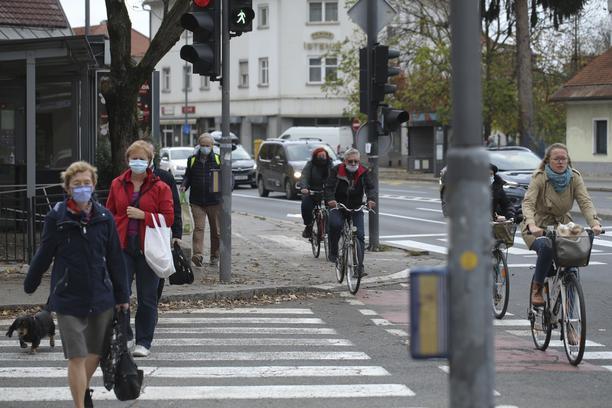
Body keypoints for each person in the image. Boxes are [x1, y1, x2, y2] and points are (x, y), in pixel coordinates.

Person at [24, 161, 129, 408]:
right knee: (76, 355)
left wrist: (122, 295)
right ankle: (79, 405)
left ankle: (82, 389)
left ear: (93, 185)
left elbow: (115, 258)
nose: (82, 188)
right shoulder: (56, 217)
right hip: (68, 297)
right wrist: (31, 281)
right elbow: (45, 252)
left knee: (95, 353)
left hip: (101, 297)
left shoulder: (104, 218)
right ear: (68, 188)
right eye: (76, 184)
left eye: (86, 183)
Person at [106, 140, 174, 358]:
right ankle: (125, 335)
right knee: (120, 295)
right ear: (127, 160)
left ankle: (144, 341)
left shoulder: (160, 186)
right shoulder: (117, 184)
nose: (137, 162)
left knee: (147, 298)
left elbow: (170, 218)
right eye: (133, 158)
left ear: (150, 161)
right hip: (122, 248)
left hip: (148, 250)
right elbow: (109, 213)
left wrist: (145, 216)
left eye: (141, 159)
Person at [521, 143, 602, 309]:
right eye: (556, 159)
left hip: (563, 226)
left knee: (572, 263)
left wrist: (594, 223)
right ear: (548, 160)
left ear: (568, 160)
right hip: (539, 225)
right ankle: (537, 289)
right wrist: (531, 224)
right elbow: (528, 202)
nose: (560, 162)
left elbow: (585, 201)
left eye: (563, 158)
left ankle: (571, 317)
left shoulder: (574, 177)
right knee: (546, 247)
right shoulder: (540, 177)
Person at [142, 138, 182, 302]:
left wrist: (177, 233)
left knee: (157, 271)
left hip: (158, 232)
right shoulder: (125, 180)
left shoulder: (165, 177)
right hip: (135, 234)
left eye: (146, 153)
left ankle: (153, 303)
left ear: (153, 155)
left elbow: (175, 206)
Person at [324, 148, 376, 273]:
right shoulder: (336, 170)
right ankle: (334, 252)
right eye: (350, 161)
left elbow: (371, 187)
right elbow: (329, 187)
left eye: (356, 161)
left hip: (356, 206)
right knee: (335, 225)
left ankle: (359, 267)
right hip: (338, 206)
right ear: (345, 161)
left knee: (360, 236)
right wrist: (331, 200)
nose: (353, 164)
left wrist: (371, 199)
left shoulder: (364, 171)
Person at [180, 133, 222, 267]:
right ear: (198, 145)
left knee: (216, 230)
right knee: (198, 228)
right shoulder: (192, 160)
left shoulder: (218, 159)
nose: (205, 148)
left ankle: (215, 255)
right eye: (202, 145)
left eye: (207, 146)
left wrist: (227, 189)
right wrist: (184, 185)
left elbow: (227, 177)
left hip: (214, 201)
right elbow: (188, 176)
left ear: (212, 146)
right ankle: (198, 255)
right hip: (197, 201)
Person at [299, 147, 333, 238]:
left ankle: (329, 230)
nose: (322, 157)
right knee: (306, 206)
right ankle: (309, 226)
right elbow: (304, 176)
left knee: (332, 209)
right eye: (320, 156)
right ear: (315, 156)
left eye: (323, 155)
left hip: (327, 192)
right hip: (312, 191)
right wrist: (304, 188)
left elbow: (334, 177)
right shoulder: (310, 164)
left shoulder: (330, 164)